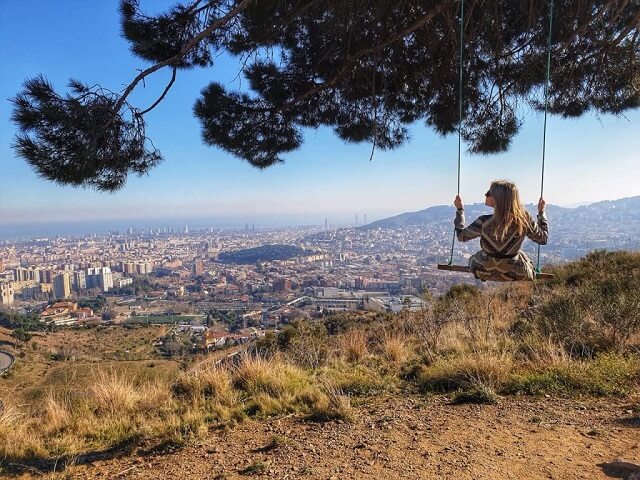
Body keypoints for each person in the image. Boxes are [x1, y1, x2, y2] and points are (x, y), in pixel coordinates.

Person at [453, 180, 548, 282]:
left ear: (498, 198)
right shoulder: (523, 220)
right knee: (523, 256)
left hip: (483, 269)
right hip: (517, 272)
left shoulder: (483, 222)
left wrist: (460, 210)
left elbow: (461, 236)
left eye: (489, 193)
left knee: (473, 258)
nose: (485, 195)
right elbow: (542, 239)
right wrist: (541, 213)